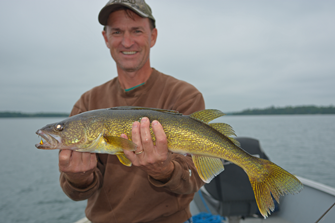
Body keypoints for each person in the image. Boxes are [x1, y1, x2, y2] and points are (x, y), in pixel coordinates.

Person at [59, 1, 205, 222]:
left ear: (152, 36)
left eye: (136, 30)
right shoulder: (88, 103)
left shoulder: (184, 95)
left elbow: (195, 178)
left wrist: (165, 170)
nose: (127, 42)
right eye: (117, 32)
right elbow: (77, 193)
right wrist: (79, 177)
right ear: (106, 38)